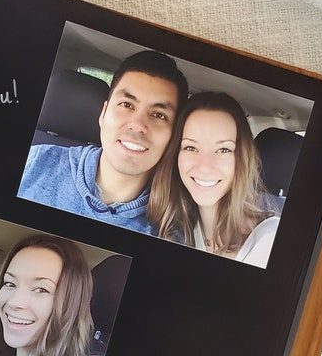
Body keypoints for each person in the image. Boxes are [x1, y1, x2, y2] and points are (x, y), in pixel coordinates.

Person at [18, 51, 188, 234]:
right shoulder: (33, 163)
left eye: (158, 115)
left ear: (174, 134)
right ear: (103, 114)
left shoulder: (172, 231)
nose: (138, 125)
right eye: (127, 105)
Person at [148, 92, 279, 268]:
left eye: (223, 149)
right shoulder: (169, 227)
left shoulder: (270, 241)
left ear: (242, 158)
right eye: (191, 147)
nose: (205, 166)